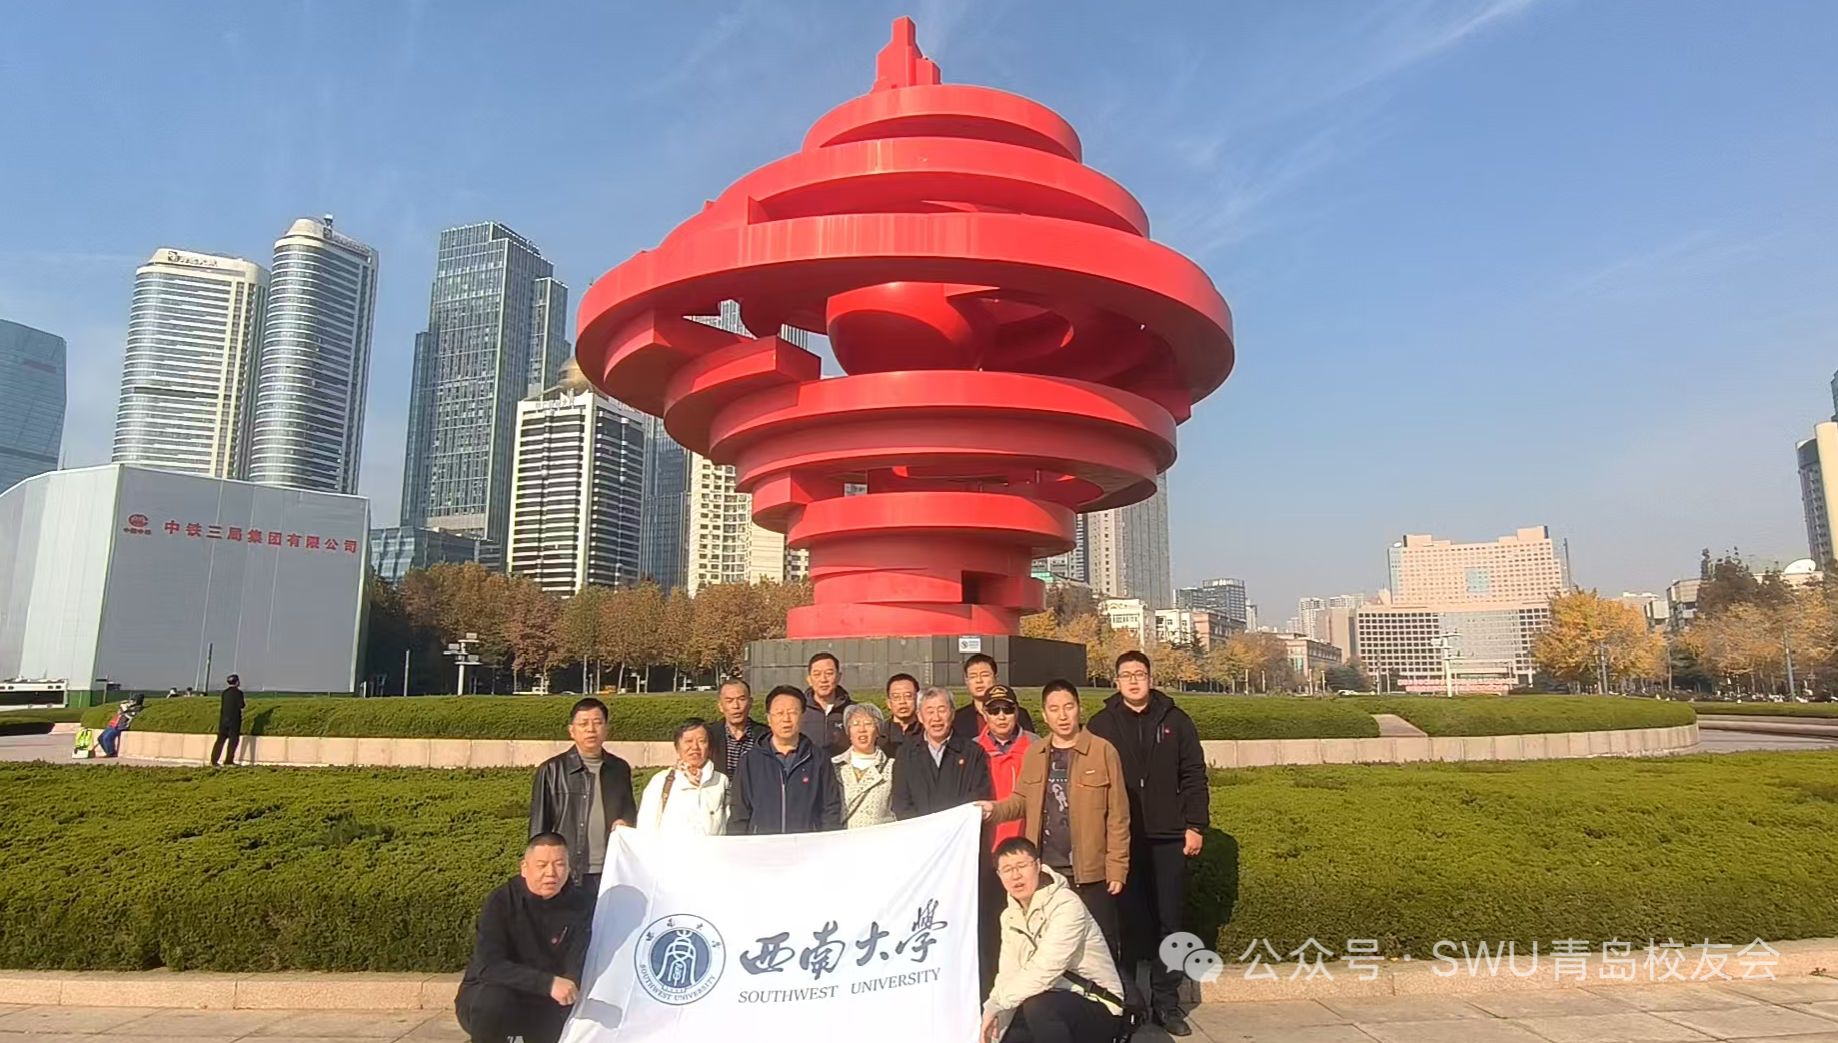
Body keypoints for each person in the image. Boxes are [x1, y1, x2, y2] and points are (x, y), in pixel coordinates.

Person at [1087, 652, 1207, 1037]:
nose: (1134, 681)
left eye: (1140, 674)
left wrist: (1195, 825)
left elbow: (1194, 775)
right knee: (1124, 923)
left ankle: (1167, 1003)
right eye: (1126, 675)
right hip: (1121, 839)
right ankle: (1127, 1001)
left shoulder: (1176, 720)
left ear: (1151, 678)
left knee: (1170, 921)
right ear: (1116, 681)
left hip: (1168, 837)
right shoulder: (1101, 724)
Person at [984, 681, 1131, 972]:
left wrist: (1117, 866)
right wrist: (993, 810)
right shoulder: (1036, 753)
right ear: (1044, 715)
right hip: (1047, 872)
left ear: (1079, 709)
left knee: (1099, 950)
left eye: (1068, 707)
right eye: (1054, 709)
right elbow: (1021, 801)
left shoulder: (1103, 751)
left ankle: (1112, 1000)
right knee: (1051, 950)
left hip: (1091, 873)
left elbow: (1118, 816)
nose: (1062, 716)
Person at [981, 837, 1126, 1043]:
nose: (1016, 875)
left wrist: (997, 1005)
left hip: (1097, 1004)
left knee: (1038, 1007)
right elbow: (1008, 973)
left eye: (1022, 866)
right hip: (1048, 1003)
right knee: (1009, 1034)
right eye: (1007, 869)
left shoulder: (1066, 904)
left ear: (1038, 865)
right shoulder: (1009, 917)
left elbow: (1046, 968)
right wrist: (994, 1016)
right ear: (999, 875)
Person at [454, 833, 592, 1043]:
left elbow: (578, 959)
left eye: (559, 864)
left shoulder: (582, 904)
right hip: (498, 993)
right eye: (542, 865)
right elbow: (488, 966)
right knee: (494, 1000)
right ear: (524, 868)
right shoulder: (501, 901)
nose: (551, 873)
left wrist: (569, 982)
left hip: (550, 999)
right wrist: (547, 983)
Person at [529, 698, 639, 893]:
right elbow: (539, 826)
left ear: (606, 729)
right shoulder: (551, 770)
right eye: (583, 724)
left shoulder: (619, 768)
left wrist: (625, 821)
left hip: (610, 870)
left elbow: (630, 811)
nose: (591, 729)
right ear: (571, 730)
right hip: (567, 871)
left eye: (597, 723)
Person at [729, 686, 843, 834]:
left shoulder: (818, 759)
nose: (786, 719)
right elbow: (739, 812)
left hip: (807, 844)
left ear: (802, 716)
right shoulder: (750, 761)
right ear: (769, 718)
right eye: (779, 713)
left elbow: (830, 809)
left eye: (792, 713)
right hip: (763, 844)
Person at [891, 687, 994, 819]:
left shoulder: (973, 752)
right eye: (930, 711)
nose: (936, 717)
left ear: (952, 714)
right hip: (919, 829)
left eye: (942, 710)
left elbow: (978, 796)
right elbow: (901, 802)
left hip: (959, 828)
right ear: (920, 716)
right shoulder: (906, 754)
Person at [635, 719, 730, 835]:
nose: (695, 747)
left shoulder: (721, 781)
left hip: (712, 847)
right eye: (688, 741)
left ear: (709, 747)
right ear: (677, 747)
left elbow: (728, 823)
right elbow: (646, 826)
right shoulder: (661, 780)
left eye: (702, 741)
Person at [975, 686, 1034, 851]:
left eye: (1007, 710)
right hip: (985, 841)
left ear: (1017, 712)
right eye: (994, 711)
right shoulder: (972, 750)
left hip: (1027, 841)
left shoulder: (1036, 746)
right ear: (985, 714)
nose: (1001, 716)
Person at [833, 702, 896, 828]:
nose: (862, 729)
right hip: (843, 837)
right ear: (848, 732)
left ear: (877, 731)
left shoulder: (892, 767)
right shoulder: (834, 766)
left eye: (868, 724)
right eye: (855, 724)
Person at [953, 653, 1036, 739]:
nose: (979, 680)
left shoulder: (1018, 714)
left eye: (985, 675)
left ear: (996, 678)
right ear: (966, 681)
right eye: (973, 676)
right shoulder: (957, 718)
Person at [707, 679, 769, 777]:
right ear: (720, 706)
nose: (736, 706)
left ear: (750, 703)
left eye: (741, 699)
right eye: (729, 701)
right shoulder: (709, 735)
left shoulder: (766, 736)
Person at [799, 651, 854, 756]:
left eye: (829, 673)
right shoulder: (799, 711)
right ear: (809, 679)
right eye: (817, 674)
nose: (823, 679)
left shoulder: (853, 711)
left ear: (838, 677)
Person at [881, 673, 923, 754]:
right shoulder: (879, 734)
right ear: (888, 703)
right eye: (896, 697)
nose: (902, 702)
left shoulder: (928, 731)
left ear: (917, 699)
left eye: (908, 696)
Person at [94, 694, 145, 758]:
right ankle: (108, 752)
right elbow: (121, 708)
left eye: (134, 700)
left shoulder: (137, 708)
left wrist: (124, 710)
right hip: (113, 724)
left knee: (107, 738)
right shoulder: (128, 706)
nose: (131, 702)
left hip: (120, 726)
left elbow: (128, 714)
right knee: (100, 738)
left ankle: (111, 753)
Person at [209, 674, 245, 767]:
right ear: (237, 682)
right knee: (233, 741)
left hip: (223, 720)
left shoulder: (224, 693)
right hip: (234, 721)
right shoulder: (238, 693)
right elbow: (241, 705)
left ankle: (214, 760)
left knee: (220, 740)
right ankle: (229, 760)